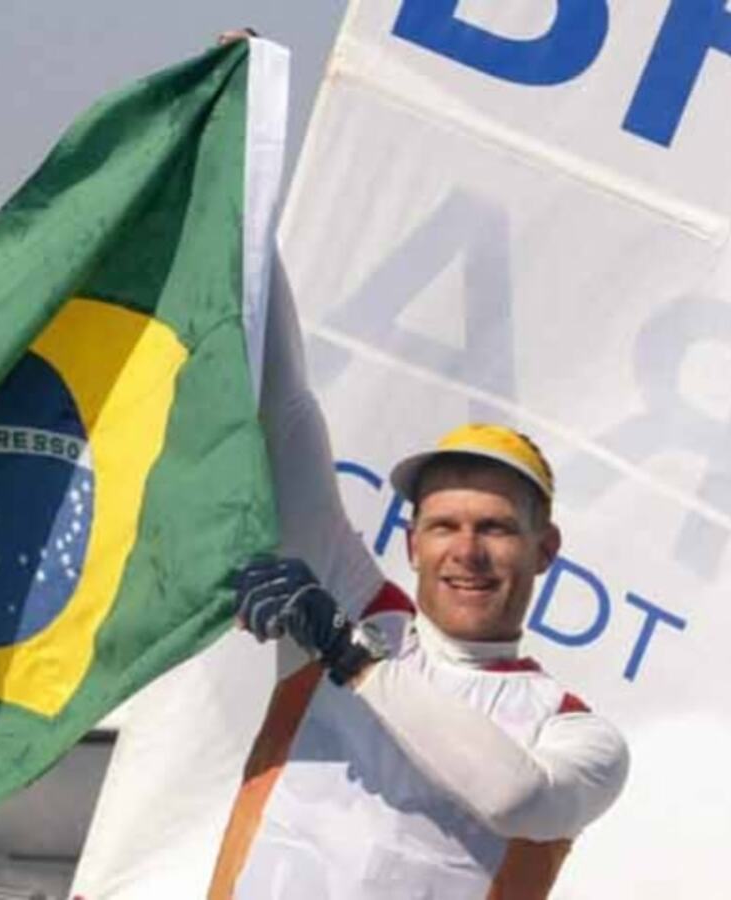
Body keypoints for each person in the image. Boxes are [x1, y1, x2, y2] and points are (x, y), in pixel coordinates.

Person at [202, 274, 629, 898]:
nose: (467, 552)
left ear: (545, 550)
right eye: (444, 526)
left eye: (497, 529)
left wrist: (349, 653)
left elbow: (518, 799)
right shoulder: (360, 607)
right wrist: (243, 199)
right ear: (412, 544)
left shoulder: (581, 735)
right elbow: (283, 406)